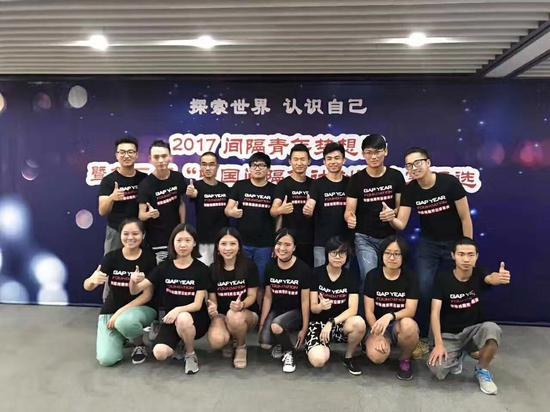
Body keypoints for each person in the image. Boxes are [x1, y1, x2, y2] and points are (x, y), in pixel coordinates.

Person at [388, 147, 473, 342]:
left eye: (417, 163)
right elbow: (401, 223)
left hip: (454, 243)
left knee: (455, 288)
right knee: (424, 288)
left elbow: (465, 217)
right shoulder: (410, 189)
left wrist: (467, 248)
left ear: (428, 162)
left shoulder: (449, 183)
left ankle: (457, 335)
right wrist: (391, 218)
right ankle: (423, 336)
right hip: (429, 244)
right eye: (409, 165)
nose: (414, 168)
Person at [428, 237, 510, 395]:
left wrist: (496, 279)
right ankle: (459, 354)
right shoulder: (442, 278)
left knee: (493, 329)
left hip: (473, 331)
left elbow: (489, 278)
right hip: (449, 335)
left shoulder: (480, 273)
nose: (466, 259)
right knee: (437, 370)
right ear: (453, 256)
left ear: (477, 256)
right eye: (461, 254)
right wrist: (438, 344)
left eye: (471, 255)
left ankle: (482, 370)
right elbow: (435, 313)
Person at [129, 224, 210, 374]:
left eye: (187, 240)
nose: (183, 245)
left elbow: (198, 304)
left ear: (194, 243)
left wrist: (178, 310)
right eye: (179, 240)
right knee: (159, 353)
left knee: (183, 318)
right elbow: (135, 290)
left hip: (195, 320)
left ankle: (190, 354)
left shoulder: (201, 269)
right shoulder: (164, 267)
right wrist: (133, 281)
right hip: (171, 320)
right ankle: (178, 345)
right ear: (173, 243)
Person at [83, 218, 157, 367]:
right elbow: (87, 286)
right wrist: (91, 280)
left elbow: (147, 295)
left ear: (143, 235)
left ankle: (139, 344)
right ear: (120, 234)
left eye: (135, 233)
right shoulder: (111, 257)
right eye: (126, 233)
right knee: (106, 359)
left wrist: (119, 313)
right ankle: (122, 336)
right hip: (111, 310)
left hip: (141, 309)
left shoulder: (149, 258)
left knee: (126, 322)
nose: (130, 237)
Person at [345, 134, 405, 290]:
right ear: (363, 154)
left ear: (386, 151)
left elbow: (401, 208)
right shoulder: (356, 179)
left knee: (390, 278)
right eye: (369, 152)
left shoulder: (396, 176)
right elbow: (349, 211)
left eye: (378, 151)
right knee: (369, 277)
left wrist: (392, 213)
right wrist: (350, 219)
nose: (373, 156)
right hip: (364, 238)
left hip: (390, 238)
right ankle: (366, 307)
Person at [305, 236, 366, 375]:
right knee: (318, 360)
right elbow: (313, 307)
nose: (338, 257)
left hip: (340, 324)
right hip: (319, 323)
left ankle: (349, 357)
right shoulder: (316, 273)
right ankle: (323, 348)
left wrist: (332, 322)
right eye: (334, 253)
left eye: (342, 253)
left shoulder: (350, 276)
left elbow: (353, 309)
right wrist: (320, 306)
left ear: (347, 256)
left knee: (359, 322)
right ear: (327, 254)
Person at [364, 236, 420, 380]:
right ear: (382, 254)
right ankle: (380, 345)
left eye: (397, 254)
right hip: (377, 326)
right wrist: (378, 336)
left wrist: (390, 316)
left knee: (409, 325)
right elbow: (369, 311)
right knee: (377, 357)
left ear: (403, 256)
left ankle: (405, 359)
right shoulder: (372, 276)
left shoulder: (410, 277)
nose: (392, 258)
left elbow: (410, 310)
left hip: (398, 325)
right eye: (388, 253)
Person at [98, 136, 146, 301]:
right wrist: (112, 198)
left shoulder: (144, 179)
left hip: (140, 233)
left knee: (141, 269)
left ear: (137, 155)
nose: (127, 155)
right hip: (116, 232)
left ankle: (140, 305)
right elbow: (102, 211)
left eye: (131, 152)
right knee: (111, 268)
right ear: (117, 155)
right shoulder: (109, 180)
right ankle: (108, 306)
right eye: (122, 152)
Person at [206, 227, 259, 369]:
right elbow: (212, 299)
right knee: (217, 341)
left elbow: (252, 295)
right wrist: (213, 310)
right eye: (223, 244)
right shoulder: (212, 269)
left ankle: (241, 346)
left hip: (246, 315)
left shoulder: (249, 266)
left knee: (234, 315)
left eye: (232, 244)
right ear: (217, 247)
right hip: (222, 315)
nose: (228, 248)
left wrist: (242, 305)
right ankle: (229, 341)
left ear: (239, 247)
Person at [259, 228, 311, 373]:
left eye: (287, 245)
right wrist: (262, 323)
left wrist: (305, 328)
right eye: (279, 243)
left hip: (296, 311)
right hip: (277, 310)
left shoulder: (303, 269)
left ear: (294, 248)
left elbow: (305, 301)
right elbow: (268, 297)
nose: (282, 248)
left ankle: (289, 352)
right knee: (264, 343)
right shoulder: (270, 266)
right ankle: (282, 342)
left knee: (276, 325)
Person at [225, 152, 276, 290]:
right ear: (250, 168)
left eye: (261, 165)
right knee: (240, 280)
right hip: (242, 243)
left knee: (261, 281)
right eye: (254, 165)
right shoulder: (240, 186)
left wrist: (276, 240)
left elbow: (278, 217)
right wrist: (232, 212)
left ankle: (259, 305)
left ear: (268, 169)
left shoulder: (274, 189)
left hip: (265, 245)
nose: (257, 168)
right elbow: (227, 209)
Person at [138, 140, 187, 263]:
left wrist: (182, 226)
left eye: (164, 156)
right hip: (156, 240)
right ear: (150, 159)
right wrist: (149, 214)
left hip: (177, 236)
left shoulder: (178, 177)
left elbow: (181, 203)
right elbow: (141, 215)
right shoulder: (145, 184)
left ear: (170, 157)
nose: (161, 160)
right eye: (156, 157)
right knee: (161, 272)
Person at [303, 142, 349, 267]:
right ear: (324, 162)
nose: (333, 162)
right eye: (329, 158)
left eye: (337, 158)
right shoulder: (317, 184)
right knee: (320, 276)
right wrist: (307, 210)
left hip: (344, 242)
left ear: (344, 160)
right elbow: (310, 204)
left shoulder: (350, 183)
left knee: (343, 276)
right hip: (321, 243)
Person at [271, 144, 314, 266]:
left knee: (308, 273)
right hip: (288, 241)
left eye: (302, 159)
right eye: (296, 159)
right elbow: (273, 211)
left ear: (309, 161)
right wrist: (281, 210)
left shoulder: (314, 184)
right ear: (290, 161)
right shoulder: (283, 184)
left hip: (310, 239)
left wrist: (311, 211)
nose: (299, 163)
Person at [186, 151, 230, 266]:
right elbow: (191, 195)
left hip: (222, 240)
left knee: (221, 270)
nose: (208, 168)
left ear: (217, 166)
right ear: (200, 166)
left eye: (211, 164)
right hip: (203, 241)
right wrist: (192, 194)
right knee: (204, 271)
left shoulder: (225, 188)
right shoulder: (196, 186)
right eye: (204, 164)